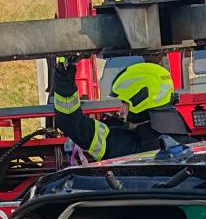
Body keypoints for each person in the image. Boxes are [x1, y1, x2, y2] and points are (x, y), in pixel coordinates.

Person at [50, 58, 190, 161]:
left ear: (140, 101)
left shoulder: (118, 144)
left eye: (125, 103)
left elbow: (71, 123)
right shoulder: (196, 149)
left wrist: (64, 83)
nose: (121, 111)